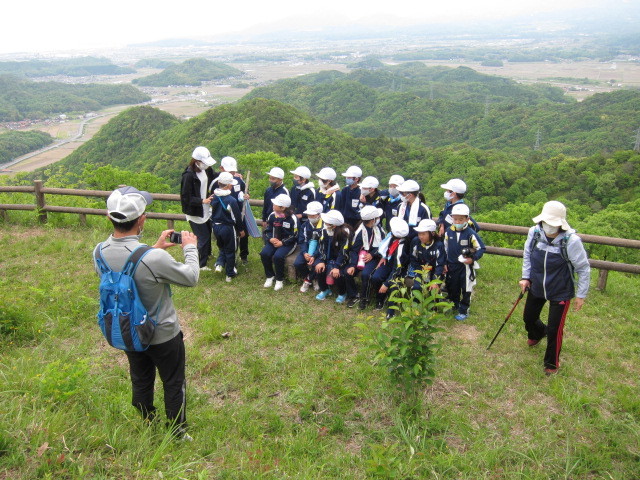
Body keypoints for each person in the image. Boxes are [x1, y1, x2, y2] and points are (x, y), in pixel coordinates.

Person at [93, 186, 199, 440]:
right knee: (173, 381)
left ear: (110, 217)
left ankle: (148, 419)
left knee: (140, 378)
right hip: (162, 333)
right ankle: (177, 431)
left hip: (129, 329)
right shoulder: (152, 258)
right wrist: (190, 248)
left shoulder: (99, 252)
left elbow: (127, 269)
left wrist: (155, 248)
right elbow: (191, 278)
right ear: (141, 220)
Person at [519, 201, 590, 375]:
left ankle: (551, 363)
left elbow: (583, 268)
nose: (549, 227)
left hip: (561, 290)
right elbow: (527, 254)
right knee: (528, 317)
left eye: (553, 224)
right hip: (537, 284)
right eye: (546, 223)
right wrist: (525, 277)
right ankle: (537, 333)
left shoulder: (571, 241)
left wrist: (581, 295)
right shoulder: (534, 233)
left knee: (555, 328)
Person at [443, 203, 486, 321]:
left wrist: (473, 258)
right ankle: (453, 304)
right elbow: (445, 248)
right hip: (451, 265)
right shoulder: (448, 232)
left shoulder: (470, 233)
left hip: (465, 267)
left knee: (466, 288)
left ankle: (464, 309)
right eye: (455, 219)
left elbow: (481, 248)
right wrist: (445, 263)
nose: (457, 221)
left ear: (467, 219)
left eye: (460, 219)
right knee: (452, 286)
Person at [179, 146, 216, 270]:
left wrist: (229, 174)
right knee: (203, 237)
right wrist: (201, 201)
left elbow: (215, 176)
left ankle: (206, 255)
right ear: (197, 162)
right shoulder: (188, 175)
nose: (206, 165)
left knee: (207, 233)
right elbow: (186, 197)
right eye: (204, 163)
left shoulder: (206, 170)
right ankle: (200, 264)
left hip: (205, 210)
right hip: (195, 212)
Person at [211, 156, 250, 266]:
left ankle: (243, 256)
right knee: (226, 240)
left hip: (238, 214)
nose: (232, 174)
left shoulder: (238, 180)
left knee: (243, 234)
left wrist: (245, 196)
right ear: (222, 169)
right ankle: (225, 260)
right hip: (224, 216)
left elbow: (244, 191)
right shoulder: (216, 182)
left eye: (233, 172)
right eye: (230, 172)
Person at [345, 205, 386, 309]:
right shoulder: (360, 232)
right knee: (347, 272)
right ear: (372, 220)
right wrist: (353, 265)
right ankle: (353, 295)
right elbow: (354, 250)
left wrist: (372, 254)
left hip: (375, 257)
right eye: (377, 218)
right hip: (360, 258)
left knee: (366, 274)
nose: (378, 219)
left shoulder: (378, 230)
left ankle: (364, 298)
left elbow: (383, 245)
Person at [370, 217, 410, 319]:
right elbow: (387, 249)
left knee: (393, 285)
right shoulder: (392, 238)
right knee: (376, 277)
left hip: (400, 269)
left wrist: (386, 283)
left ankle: (390, 310)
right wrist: (384, 257)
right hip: (388, 262)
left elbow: (397, 268)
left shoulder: (402, 246)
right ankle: (380, 299)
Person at [210, 172, 246, 282]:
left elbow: (210, 212)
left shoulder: (213, 197)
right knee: (231, 250)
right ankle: (229, 274)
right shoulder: (231, 200)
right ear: (228, 186)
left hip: (215, 227)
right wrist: (241, 229)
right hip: (227, 228)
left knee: (222, 247)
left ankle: (219, 264)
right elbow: (236, 217)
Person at [261, 194, 298, 291]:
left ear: (283, 207)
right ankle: (270, 276)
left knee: (278, 256)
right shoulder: (272, 215)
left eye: (275, 204)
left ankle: (279, 279)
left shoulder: (292, 218)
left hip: (287, 244)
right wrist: (270, 239)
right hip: (273, 241)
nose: (273, 205)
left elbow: (295, 235)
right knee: (264, 253)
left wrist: (283, 243)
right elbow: (267, 230)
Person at [314, 210, 353, 303]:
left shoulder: (345, 233)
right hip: (328, 257)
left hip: (343, 260)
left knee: (338, 273)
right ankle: (324, 289)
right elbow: (322, 247)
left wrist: (336, 266)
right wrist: (321, 261)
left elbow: (344, 252)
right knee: (319, 268)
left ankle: (342, 293)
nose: (325, 223)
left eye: (327, 222)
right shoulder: (324, 231)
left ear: (334, 225)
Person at [408, 219, 446, 294]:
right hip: (420, 269)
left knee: (433, 290)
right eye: (419, 234)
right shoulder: (415, 242)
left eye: (423, 234)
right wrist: (420, 269)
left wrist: (435, 281)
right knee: (417, 287)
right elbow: (413, 258)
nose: (420, 237)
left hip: (435, 271)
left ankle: (435, 304)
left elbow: (440, 264)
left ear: (432, 233)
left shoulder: (439, 245)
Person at [294, 201, 324, 292]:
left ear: (319, 215)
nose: (310, 217)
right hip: (307, 250)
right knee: (297, 264)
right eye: (309, 215)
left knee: (316, 265)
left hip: (320, 251)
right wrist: (304, 253)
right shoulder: (305, 225)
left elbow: (323, 244)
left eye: (313, 215)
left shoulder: (325, 225)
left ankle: (308, 280)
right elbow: (302, 241)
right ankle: (311, 277)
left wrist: (314, 255)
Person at [396, 179, 432, 244]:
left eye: (402, 193)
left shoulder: (423, 208)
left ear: (410, 195)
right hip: (402, 240)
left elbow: (428, 228)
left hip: (418, 242)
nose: (401, 195)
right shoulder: (400, 206)